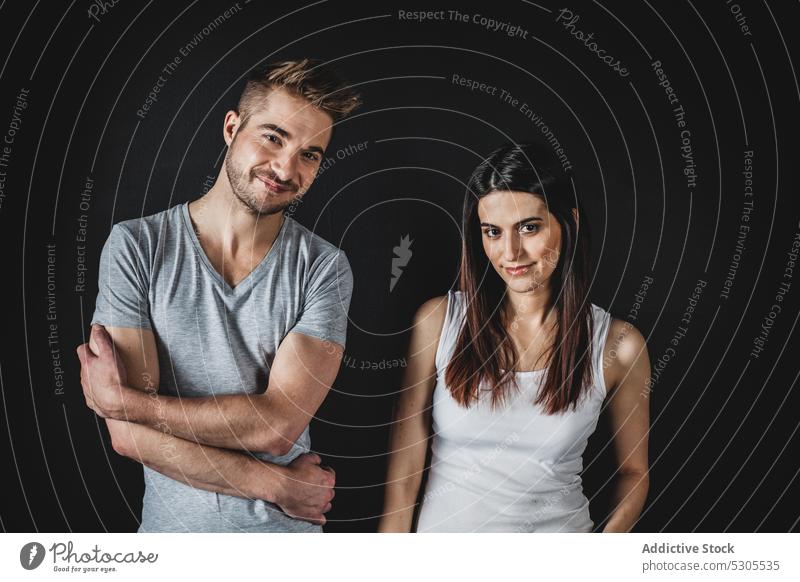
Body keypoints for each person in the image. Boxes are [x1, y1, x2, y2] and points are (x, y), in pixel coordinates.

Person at [75, 59, 361, 532]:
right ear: (232, 127)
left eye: (310, 154)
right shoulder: (137, 247)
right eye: (273, 137)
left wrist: (125, 402)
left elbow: (274, 428)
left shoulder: (323, 267)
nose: (285, 167)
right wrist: (276, 485)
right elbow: (128, 438)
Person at [378, 143, 651, 532]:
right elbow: (404, 470)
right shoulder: (439, 321)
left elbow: (633, 472)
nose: (511, 252)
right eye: (493, 232)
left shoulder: (619, 346)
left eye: (529, 227)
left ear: (568, 222)